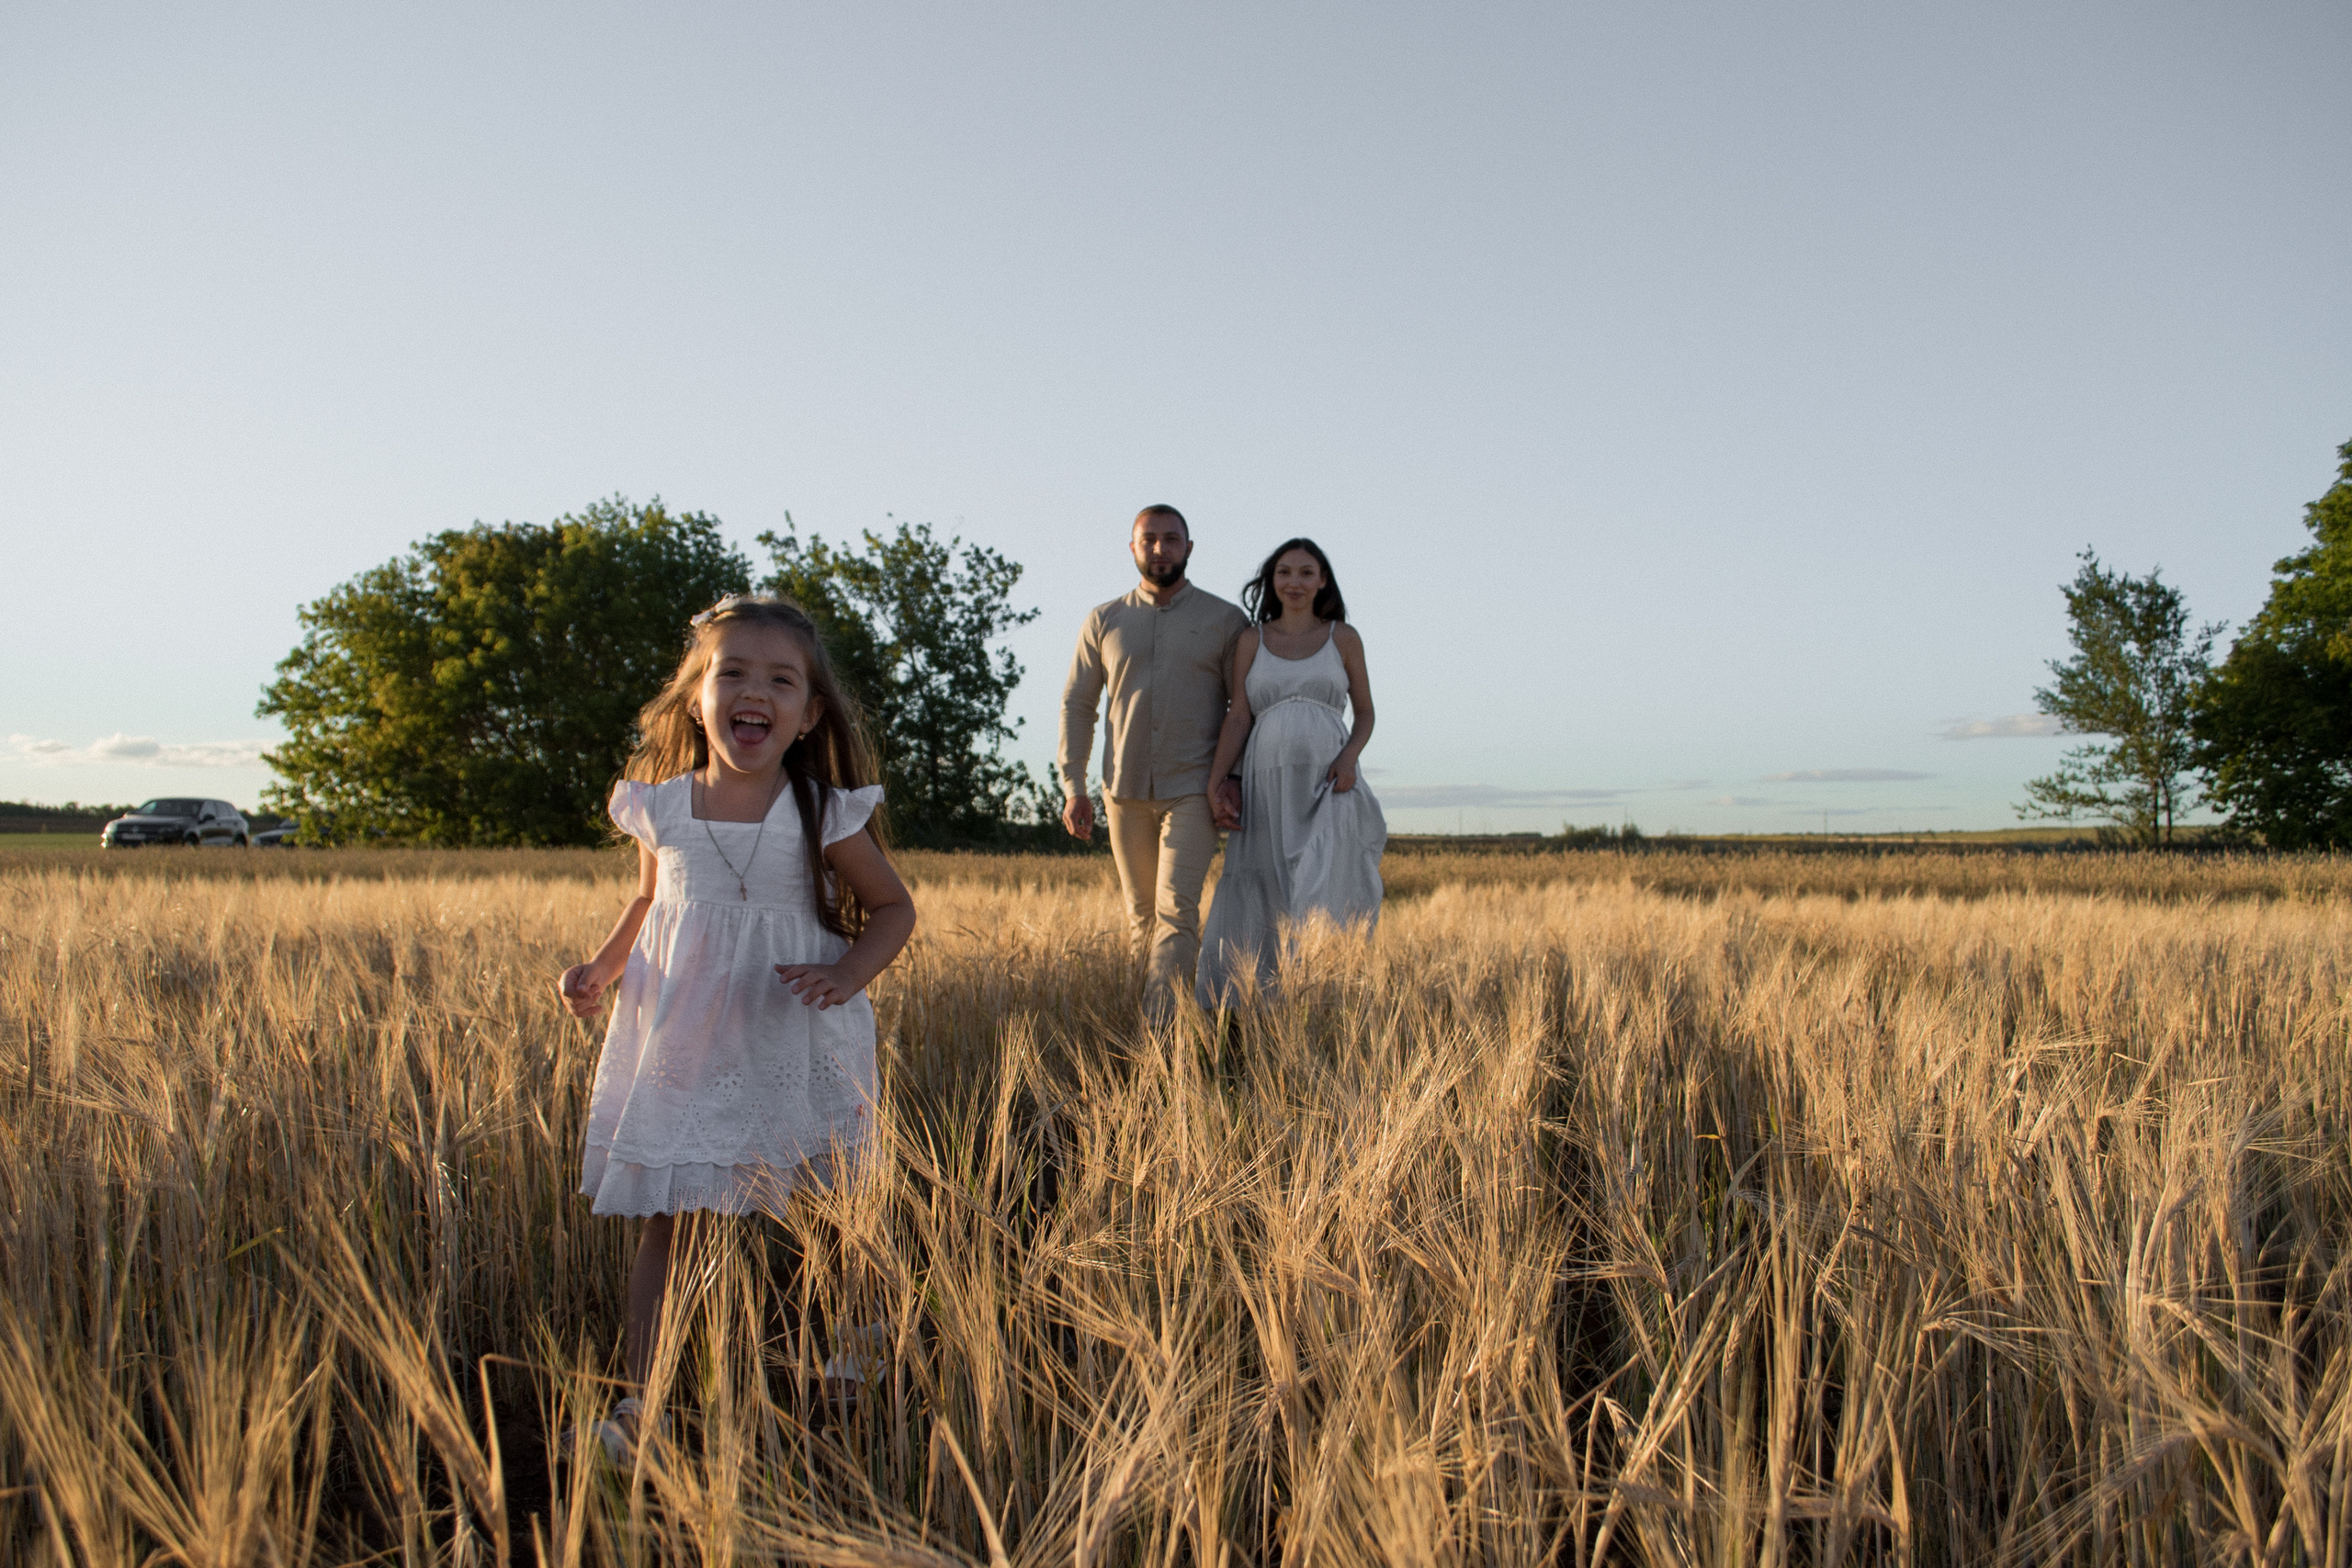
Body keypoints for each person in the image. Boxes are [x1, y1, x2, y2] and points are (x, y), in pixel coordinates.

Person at [555, 592, 916, 1457]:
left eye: (781, 679)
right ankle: (641, 1402)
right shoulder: (661, 806)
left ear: (807, 714)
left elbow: (894, 908)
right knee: (671, 1216)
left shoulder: (826, 810)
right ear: (697, 695)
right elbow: (649, 898)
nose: (756, 691)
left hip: (795, 1030)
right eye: (734, 673)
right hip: (686, 1034)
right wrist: (603, 966)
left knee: (832, 1198)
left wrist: (845, 972)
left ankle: (858, 1337)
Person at [1059, 505, 1251, 1002]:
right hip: (1122, 790)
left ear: (1189, 548)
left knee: (1175, 911)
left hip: (1193, 788)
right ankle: (1151, 1028)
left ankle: (1161, 1043)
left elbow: (1243, 708)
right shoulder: (1104, 620)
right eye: (1149, 539)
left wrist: (1230, 777)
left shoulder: (1226, 620)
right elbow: (1078, 706)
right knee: (1141, 917)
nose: (1160, 549)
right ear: (1133, 548)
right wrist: (1073, 787)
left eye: (1171, 539)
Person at [1196, 538, 1385, 1006]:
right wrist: (1216, 781)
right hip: (1267, 784)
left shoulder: (1343, 637)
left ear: (1323, 580)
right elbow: (1239, 715)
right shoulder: (1251, 641)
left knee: (1323, 881)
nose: (1294, 582)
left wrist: (1349, 759)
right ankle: (1254, 1006)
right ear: (1271, 580)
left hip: (1328, 781)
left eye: (1306, 572)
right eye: (1284, 572)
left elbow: (1364, 713)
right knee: (1266, 887)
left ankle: (1323, 999)